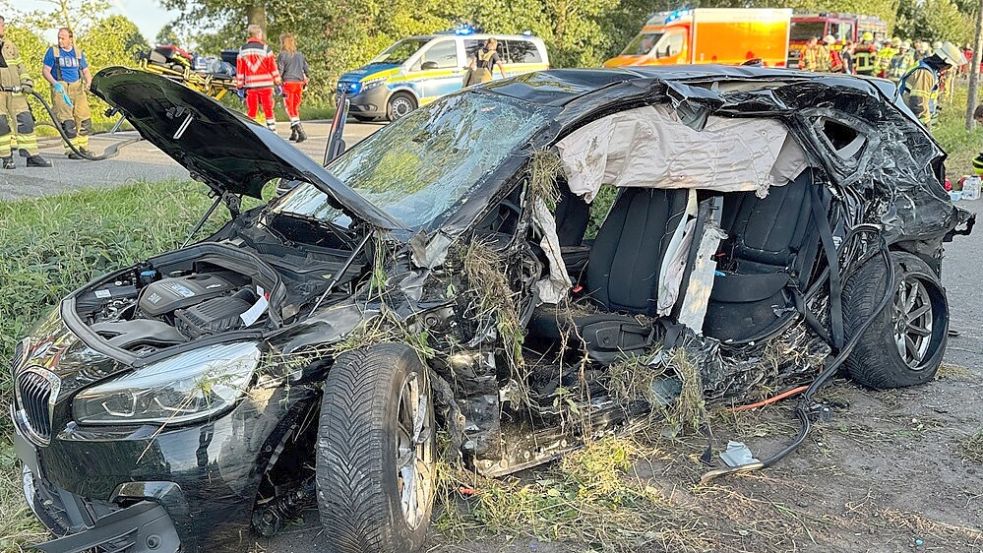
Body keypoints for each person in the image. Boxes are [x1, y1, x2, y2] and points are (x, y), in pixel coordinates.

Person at [0, 16, 50, 168]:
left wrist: (26, 82)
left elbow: (20, 66)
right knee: (1, 125)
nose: (1, 28)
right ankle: (6, 158)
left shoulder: (9, 45)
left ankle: (32, 156)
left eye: (2, 25)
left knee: (26, 121)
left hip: (16, 91)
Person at [42, 27, 92, 160]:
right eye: (58, 37)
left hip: (77, 88)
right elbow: (46, 71)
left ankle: (83, 148)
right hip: (61, 88)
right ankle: (71, 150)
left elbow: (86, 71)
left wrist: (89, 82)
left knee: (84, 118)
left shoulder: (78, 53)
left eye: (62, 38)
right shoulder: (53, 52)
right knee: (67, 121)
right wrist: (55, 83)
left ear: (70, 39)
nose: (60, 40)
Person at [898, 41, 966, 129]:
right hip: (910, 120)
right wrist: (924, 126)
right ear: (944, 63)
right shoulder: (925, 73)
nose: (949, 70)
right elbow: (918, 104)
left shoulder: (928, 69)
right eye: (950, 66)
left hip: (909, 118)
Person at [236, 24, 281, 131]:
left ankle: (253, 133)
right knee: (268, 109)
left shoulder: (242, 50)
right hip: (266, 85)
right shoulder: (266, 49)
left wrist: (240, 85)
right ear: (259, 34)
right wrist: (278, 82)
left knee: (252, 111)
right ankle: (273, 131)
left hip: (251, 86)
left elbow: (240, 70)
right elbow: (273, 68)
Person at [277, 33, 309, 143]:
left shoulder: (282, 55)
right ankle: (294, 132)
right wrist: (306, 79)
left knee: (289, 109)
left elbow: (280, 71)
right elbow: (306, 69)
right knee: (295, 108)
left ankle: (301, 132)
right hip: (299, 84)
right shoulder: (300, 55)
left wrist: (276, 82)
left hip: (288, 84)